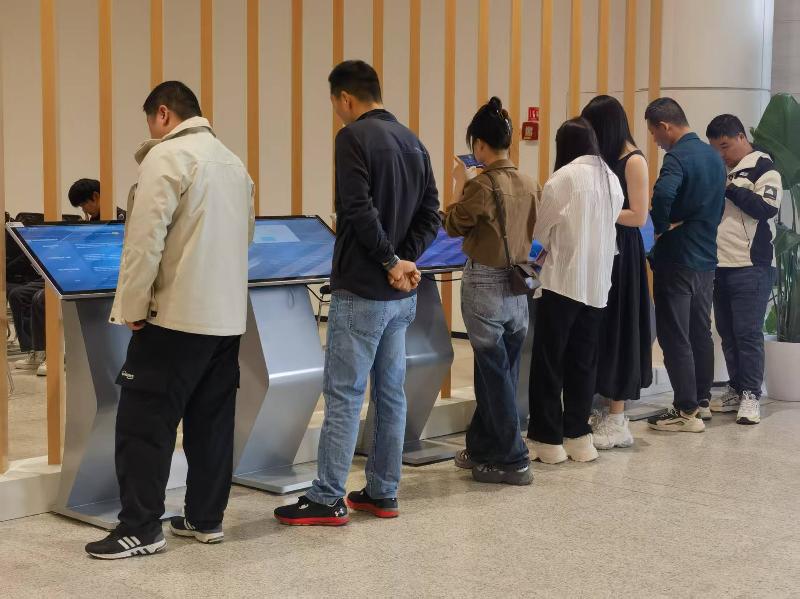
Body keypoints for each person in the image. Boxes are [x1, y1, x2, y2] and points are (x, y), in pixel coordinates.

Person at [85, 81, 255, 559]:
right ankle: (205, 518)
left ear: (163, 114)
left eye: (150, 121)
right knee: (212, 422)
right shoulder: (233, 163)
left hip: (175, 316)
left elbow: (145, 241)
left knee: (144, 422)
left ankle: (140, 527)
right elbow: (245, 236)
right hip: (226, 318)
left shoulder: (166, 157)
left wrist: (132, 307)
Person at [274, 60, 439, 526]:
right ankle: (383, 492)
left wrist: (389, 261)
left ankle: (328, 496)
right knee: (391, 394)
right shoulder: (414, 142)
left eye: (334, 104)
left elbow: (356, 208)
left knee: (344, 395)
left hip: (363, 289)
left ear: (345, 98)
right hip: (400, 296)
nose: (337, 113)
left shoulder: (353, 138)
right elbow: (432, 213)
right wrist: (404, 261)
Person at [444, 97, 539, 485]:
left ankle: (514, 458)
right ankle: (482, 446)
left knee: (494, 373)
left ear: (480, 145)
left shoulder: (480, 185)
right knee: (500, 372)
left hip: (484, 284)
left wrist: (459, 184)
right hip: (518, 284)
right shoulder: (529, 183)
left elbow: (453, 225)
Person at [527, 118, 623, 464]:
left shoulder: (563, 178)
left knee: (549, 362)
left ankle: (547, 439)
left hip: (562, 282)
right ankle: (579, 437)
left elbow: (540, 231)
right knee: (584, 362)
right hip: (597, 285)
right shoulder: (611, 178)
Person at [645, 98, 726, 433]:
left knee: (674, 335)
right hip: (706, 258)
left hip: (676, 258)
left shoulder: (677, 157)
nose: (655, 140)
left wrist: (660, 226)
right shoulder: (714, 157)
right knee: (699, 332)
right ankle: (702, 401)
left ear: (665, 126)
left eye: (654, 133)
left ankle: (685, 410)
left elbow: (664, 195)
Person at [580, 95, 653, 449]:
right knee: (600, 328)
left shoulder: (634, 161)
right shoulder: (603, 160)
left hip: (623, 254)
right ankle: (602, 408)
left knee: (621, 327)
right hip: (603, 250)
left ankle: (618, 416)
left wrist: (597, 209)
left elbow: (638, 216)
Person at [706, 114, 781, 425]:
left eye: (725, 146)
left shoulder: (765, 167)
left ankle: (751, 395)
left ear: (740, 137)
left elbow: (766, 208)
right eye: (716, 149)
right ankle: (736, 389)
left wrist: (731, 187)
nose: (721, 154)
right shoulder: (726, 170)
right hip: (719, 264)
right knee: (727, 333)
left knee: (747, 334)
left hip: (751, 266)